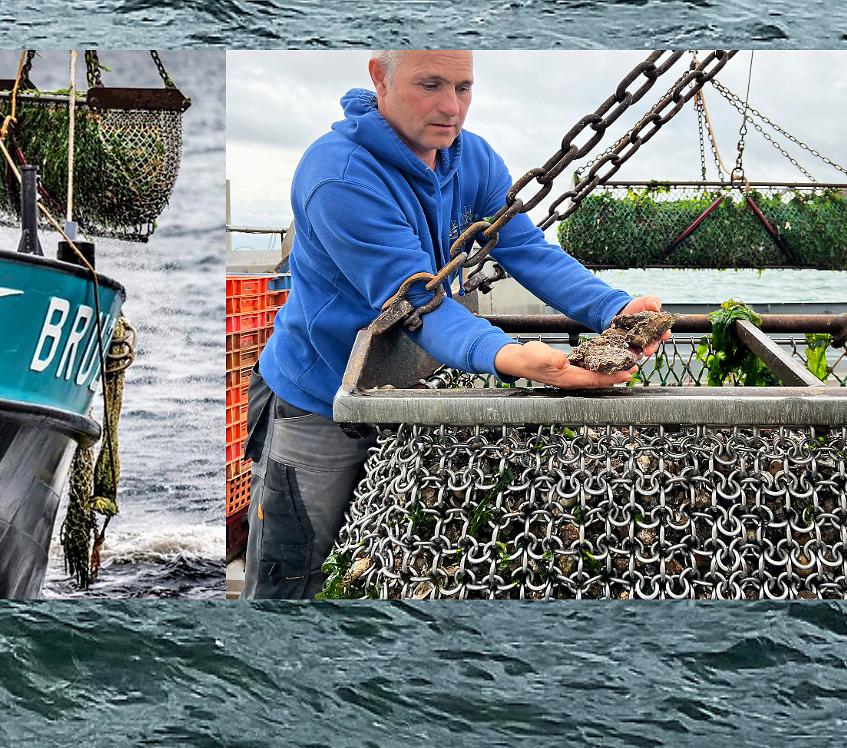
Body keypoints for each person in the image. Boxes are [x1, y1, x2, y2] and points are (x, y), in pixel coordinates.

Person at [240, 50, 669, 598]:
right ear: (380, 76)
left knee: (380, 564)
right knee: (295, 572)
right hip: (318, 398)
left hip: (405, 395)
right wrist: (509, 357)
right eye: (431, 85)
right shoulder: (338, 177)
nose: (451, 108)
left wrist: (614, 309)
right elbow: (415, 301)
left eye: (464, 88)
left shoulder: (473, 159)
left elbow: (527, 250)